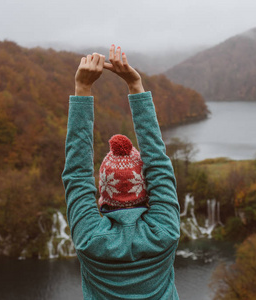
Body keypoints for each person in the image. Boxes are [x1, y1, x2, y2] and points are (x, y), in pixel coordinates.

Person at [62, 44, 180, 299]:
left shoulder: (90, 240)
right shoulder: (165, 232)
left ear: (104, 192)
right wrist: (135, 85)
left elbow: (77, 174)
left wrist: (82, 89)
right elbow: (158, 164)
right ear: (146, 189)